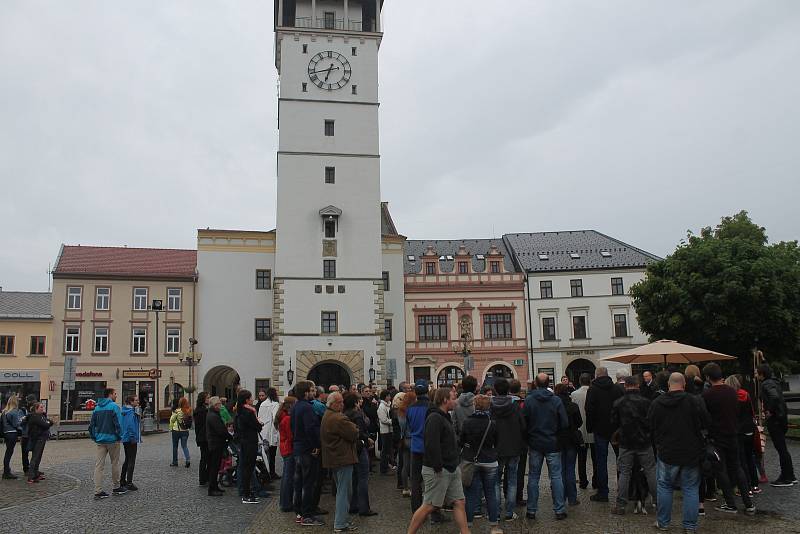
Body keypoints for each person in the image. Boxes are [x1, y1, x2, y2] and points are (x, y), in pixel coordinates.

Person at [649, 372, 710, 532]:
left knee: (665, 486)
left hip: (667, 451)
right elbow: (706, 422)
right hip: (691, 451)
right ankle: (690, 526)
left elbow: (650, 425)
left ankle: (663, 523)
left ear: (669, 385)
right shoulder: (694, 401)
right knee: (690, 489)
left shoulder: (657, 403)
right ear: (683, 384)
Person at [406, 388, 470, 534]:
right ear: (445, 400)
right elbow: (431, 444)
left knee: (459, 502)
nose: (456, 400)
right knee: (429, 505)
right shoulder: (434, 418)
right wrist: (438, 466)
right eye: (454, 397)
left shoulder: (445, 416)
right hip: (439, 469)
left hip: (452, 467)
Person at [701, 362, 756, 515]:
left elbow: (704, 417)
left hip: (717, 437)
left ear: (707, 377)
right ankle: (748, 503)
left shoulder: (707, 395)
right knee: (737, 467)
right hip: (733, 433)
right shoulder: (733, 392)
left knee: (720, 469)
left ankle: (730, 503)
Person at [524, 373, 568, 521]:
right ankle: (559, 510)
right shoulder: (556, 400)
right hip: (552, 442)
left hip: (535, 442)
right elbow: (565, 423)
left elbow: (524, 422)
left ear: (535, 383)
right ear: (549, 383)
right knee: (556, 476)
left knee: (533, 477)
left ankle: (531, 510)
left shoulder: (529, 400)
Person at [610, 376, 657, 515]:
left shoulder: (618, 402)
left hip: (626, 442)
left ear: (626, 386)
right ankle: (658, 501)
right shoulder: (647, 402)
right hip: (644, 442)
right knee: (650, 471)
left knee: (624, 472)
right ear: (637, 385)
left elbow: (613, 422)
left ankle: (621, 504)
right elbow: (651, 422)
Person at [321, 392, 360, 533]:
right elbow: (354, 433)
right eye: (341, 402)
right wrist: (356, 429)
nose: (343, 404)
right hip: (343, 458)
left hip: (334, 458)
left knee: (341, 490)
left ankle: (343, 520)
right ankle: (340, 523)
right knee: (344, 492)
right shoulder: (339, 418)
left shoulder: (327, 415)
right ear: (334, 404)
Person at [461, 394, 500, 530]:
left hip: (472, 460)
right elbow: (497, 442)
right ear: (488, 406)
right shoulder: (492, 423)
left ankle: (468, 526)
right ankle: (494, 525)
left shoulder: (467, 422)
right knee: (491, 493)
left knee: (471, 494)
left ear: (474, 406)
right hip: (489, 461)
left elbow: (462, 441)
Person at [491, 377, 526, 521]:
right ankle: (510, 512)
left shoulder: (491, 407)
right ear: (508, 390)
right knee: (512, 480)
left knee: (495, 482)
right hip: (514, 447)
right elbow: (523, 426)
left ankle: (497, 512)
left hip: (497, 448)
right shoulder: (515, 406)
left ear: (495, 390)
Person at [585, 366, 622, 503]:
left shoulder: (593, 390)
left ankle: (603, 492)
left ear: (596, 375)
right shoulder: (616, 389)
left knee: (601, 462)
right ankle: (622, 490)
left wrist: (590, 427)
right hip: (616, 430)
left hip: (599, 429)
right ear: (607, 375)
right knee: (621, 460)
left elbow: (589, 410)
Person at [758, 363, 797, 486]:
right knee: (783, 449)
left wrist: (769, 410)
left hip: (775, 419)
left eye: (756, 372)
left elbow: (773, 397)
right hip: (781, 418)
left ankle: (786, 477)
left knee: (781, 449)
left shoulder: (766, 383)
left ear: (762, 374)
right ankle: (790, 475)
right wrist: (763, 359)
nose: (755, 374)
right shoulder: (773, 381)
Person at [292, 381, 325, 526]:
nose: (314, 393)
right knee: (308, 483)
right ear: (305, 392)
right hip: (307, 449)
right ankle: (306, 515)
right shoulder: (306, 408)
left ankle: (299, 511)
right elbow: (311, 429)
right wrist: (316, 445)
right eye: (311, 390)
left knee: (299, 482)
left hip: (299, 448)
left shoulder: (295, 406)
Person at [89, 388, 126, 499]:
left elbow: (91, 425)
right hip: (113, 440)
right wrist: (120, 436)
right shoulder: (114, 407)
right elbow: (119, 424)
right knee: (115, 463)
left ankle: (98, 490)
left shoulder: (96, 408)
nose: (116, 396)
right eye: (115, 394)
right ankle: (116, 487)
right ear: (110, 395)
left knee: (99, 465)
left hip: (100, 440)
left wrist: (94, 437)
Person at [344, 392, 376, 517]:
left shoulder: (345, 414)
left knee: (354, 478)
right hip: (359, 447)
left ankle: (353, 505)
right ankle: (364, 507)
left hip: (350, 449)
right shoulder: (357, 415)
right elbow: (360, 432)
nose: (361, 402)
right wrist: (367, 440)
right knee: (363, 478)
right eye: (359, 400)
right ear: (355, 402)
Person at [725, 375, 759, 493]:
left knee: (741, 460)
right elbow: (751, 411)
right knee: (750, 458)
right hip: (749, 429)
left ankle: (746, 486)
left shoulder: (730, 397)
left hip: (738, 431)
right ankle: (755, 484)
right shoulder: (745, 394)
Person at [555, 383, 582, 507]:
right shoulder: (573, 406)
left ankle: (561, 496)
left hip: (558, 440)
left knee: (560, 470)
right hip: (571, 439)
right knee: (570, 469)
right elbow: (579, 422)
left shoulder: (554, 406)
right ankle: (572, 497)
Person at [406, 379, 431, 513]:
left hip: (415, 446)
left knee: (415, 480)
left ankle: (416, 509)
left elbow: (409, 426)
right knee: (431, 480)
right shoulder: (431, 407)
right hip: (428, 446)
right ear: (427, 391)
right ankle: (433, 510)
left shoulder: (410, 409)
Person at [235, 389, 263, 504]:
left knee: (246, 467)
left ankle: (246, 492)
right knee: (249, 468)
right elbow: (257, 427)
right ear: (247, 400)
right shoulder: (249, 411)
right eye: (251, 398)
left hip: (243, 441)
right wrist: (259, 423)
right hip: (250, 442)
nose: (252, 399)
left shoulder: (239, 411)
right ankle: (246, 494)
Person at [571, 372, 596, 490]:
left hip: (580, 430)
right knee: (596, 458)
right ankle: (596, 480)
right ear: (590, 381)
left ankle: (583, 481)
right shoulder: (594, 392)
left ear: (580, 381)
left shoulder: (574, 394)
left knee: (581, 459)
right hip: (593, 428)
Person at [205, 396, 231, 496]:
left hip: (215, 443)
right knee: (214, 467)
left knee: (215, 467)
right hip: (215, 444)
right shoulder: (213, 416)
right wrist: (229, 436)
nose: (220, 406)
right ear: (215, 405)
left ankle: (215, 486)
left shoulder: (213, 414)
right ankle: (212, 489)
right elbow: (220, 430)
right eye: (219, 404)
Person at [276, 395, 297, 512]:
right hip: (289, 448)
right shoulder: (287, 419)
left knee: (287, 476)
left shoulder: (283, 417)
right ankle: (286, 503)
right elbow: (290, 436)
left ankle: (285, 502)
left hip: (285, 447)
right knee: (288, 477)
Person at [509, 379, 527, 507]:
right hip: (521, 441)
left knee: (507, 469)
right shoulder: (522, 403)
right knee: (519, 470)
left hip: (504, 442)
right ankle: (518, 496)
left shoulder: (500, 402)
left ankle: (507, 495)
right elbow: (525, 424)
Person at [25, 402, 52, 485]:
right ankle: (31, 476)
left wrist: (48, 422)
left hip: (42, 438)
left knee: (38, 457)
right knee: (35, 458)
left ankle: (36, 474)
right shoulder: (34, 417)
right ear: (36, 408)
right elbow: (45, 424)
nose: (42, 408)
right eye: (41, 407)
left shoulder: (41, 416)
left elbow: (49, 422)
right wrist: (47, 423)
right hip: (37, 439)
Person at [119, 395, 141, 491]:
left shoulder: (124, 411)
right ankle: (129, 482)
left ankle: (123, 480)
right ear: (131, 402)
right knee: (131, 460)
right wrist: (133, 437)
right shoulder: (130, 412)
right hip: (130, 439)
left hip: (125, 438)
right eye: (136, 400)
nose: (138, 402)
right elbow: (130, 426)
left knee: (127, 459)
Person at [258, 387, 280, 480]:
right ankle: (272, 472)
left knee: (265, 454)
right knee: (272, 454)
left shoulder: (262, 404)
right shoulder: (275, 404)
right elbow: (276, 417)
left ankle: (266, 472)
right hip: (271, 431)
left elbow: (259, 417)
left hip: (263, 431)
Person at [395, 391, 414, 497]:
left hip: (404, 439)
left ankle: (405, 488)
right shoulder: (411, 411)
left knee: (405, 465)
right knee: (412, 465)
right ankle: (413, 487)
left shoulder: (401, 411)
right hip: (411, 438)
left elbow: (401, 426)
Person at [2, 395, 23, 479]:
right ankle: (6, 472)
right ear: (15, 402)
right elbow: (16, 424)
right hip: (12, 433)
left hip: (6, 433)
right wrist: (22, 422)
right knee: (9, 453)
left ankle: (6, 470)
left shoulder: (4, 411)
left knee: (8, 452)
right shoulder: (14, 412)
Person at [169, 397, 192, 468]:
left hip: (176, 431)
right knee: (184, 446)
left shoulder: (177, 411)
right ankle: (188, 460)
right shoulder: (188, 410)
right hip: (185, 431)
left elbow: (172, 419)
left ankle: (175, 462)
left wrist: (170, 428)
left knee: (175, 447)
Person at [377, 389, 395, 475]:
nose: (390, 397)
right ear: (385, 397)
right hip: (384, 431)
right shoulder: (382, 407)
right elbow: (383, 419)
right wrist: (393, 421)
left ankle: (388, 466)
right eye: (388, 396)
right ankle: (383, 469)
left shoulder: (388, 405)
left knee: (388, 450)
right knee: (385, 451)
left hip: (389, 430)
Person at [194, 392, 210, 486]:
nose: (209, 399)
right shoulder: (202, 411)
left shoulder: (201, 409)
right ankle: (203, 478)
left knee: (205, 458)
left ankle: (204, 478)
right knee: (205, 458)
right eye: (207, 398)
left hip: (202, 437)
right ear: (203, 399)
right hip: (204, 437)